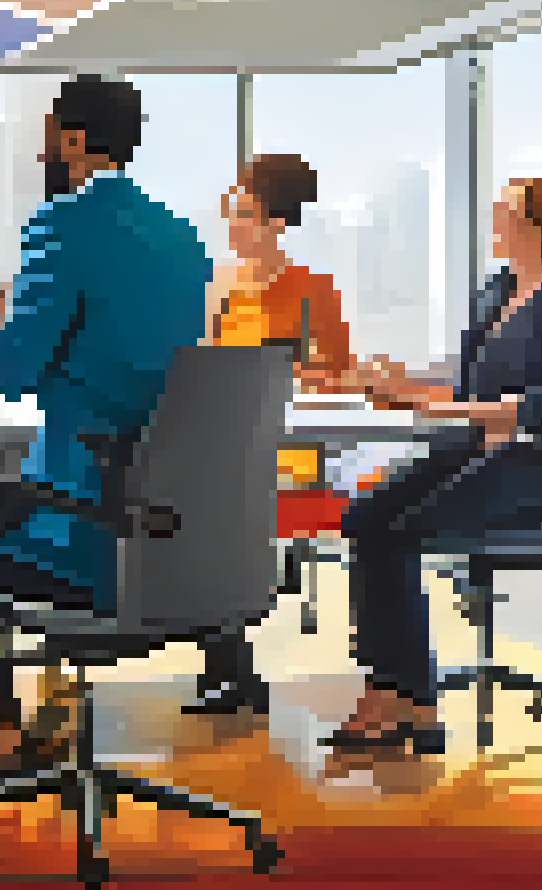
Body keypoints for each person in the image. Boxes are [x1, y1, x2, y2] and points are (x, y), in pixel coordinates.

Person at [0, 74, 211, 778]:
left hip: (89, 534)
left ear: (71, 139)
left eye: (48, 134)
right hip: (175, 533)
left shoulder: (61, 225)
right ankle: (58, 695)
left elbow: (12, 373)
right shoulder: (184, 237)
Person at [328, 177, 542, 777]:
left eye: (505, 211)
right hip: (474, 446)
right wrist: (395, 384)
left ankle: (410, 702)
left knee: (401, 533)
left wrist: (454, 408)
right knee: (365, 517)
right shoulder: (496, 291)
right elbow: (464, 382)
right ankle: (389, 687)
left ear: (537, 224)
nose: (494, 220)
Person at [187, 154, 357, 717]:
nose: (232, 224)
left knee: (209, 514)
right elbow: (195, 367)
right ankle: (229, 660)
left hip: (285, 452)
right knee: (189, 502)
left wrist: (289, 375)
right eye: (230, 212)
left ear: (276, 222)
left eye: (244, 214)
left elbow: (340, 377)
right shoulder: (216, 287)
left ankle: (229, 660)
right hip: (223, 444)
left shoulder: (312, 290)